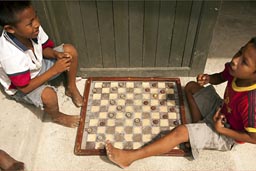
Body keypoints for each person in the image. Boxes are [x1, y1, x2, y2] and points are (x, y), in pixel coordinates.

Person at [105, 37, 256, 168]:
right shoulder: (234, 71)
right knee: (191, 87)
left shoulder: (251, 103)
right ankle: (198, 130)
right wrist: (209, 78)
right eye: (240, 52)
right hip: (221, 110)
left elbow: (253, 138)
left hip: (227, 133)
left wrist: (221, 130)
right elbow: (220, 77)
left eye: (244, 62)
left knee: (180, 132)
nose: (235, 60)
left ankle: (129, 158)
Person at [0, 1, 83, 127]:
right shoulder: (9, 54)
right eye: (30, 23)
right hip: (21, 86)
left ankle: (71, 88)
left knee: (69, 51)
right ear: (10, 29)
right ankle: (57, 117)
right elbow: (24, 87)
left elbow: (44, 49)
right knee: (49, 96)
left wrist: (56, 55)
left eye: (36, 17)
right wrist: (54, 70)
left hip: (38, 67)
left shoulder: (33, 30)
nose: (37, 24)